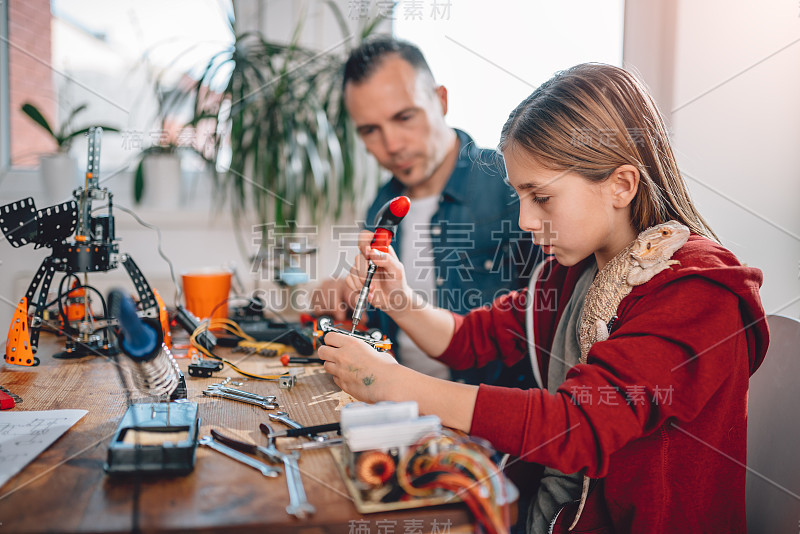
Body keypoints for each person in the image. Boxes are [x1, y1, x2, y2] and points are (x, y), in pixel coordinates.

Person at [318, 63, 769, 533]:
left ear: (621, 184)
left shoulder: (696, 290)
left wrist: (396, 385)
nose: (525, 221)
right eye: (520, 198)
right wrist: (398, 299)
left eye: (542, 198)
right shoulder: (572, 274)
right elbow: (474, 338)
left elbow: (580, 425)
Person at [313, 37, 539, 385]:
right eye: (370, 130)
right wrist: (342, 289)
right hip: (402, 411)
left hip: (489, 426)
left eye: (404, 117)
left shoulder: (513, 187)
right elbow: (382, 309)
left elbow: (549, 330)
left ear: (441, 100)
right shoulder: (382, 205)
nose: (392, 145)